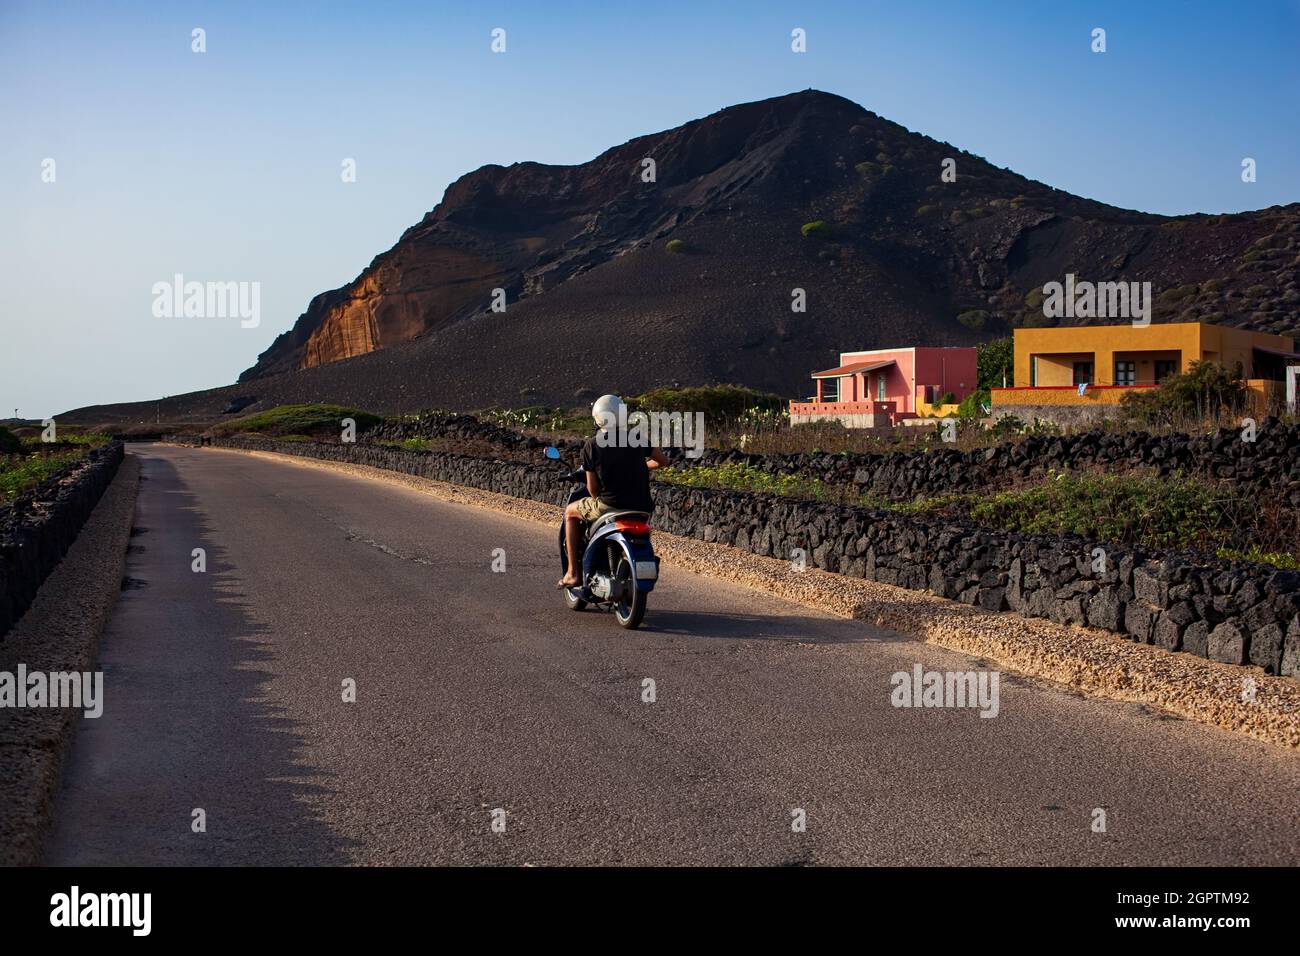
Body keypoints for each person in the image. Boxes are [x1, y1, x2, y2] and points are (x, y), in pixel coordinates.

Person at [557, 394, 668, 589]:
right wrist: (642, 467)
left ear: (598, 418)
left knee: (570, 512)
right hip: (641, 507)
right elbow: (663, 461)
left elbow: (592, 491)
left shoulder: (592, 445)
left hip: (611, 505)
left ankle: (573, 573)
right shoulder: (637, 438)